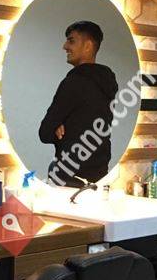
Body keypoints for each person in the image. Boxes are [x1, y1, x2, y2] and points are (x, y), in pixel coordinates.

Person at [39, 21, 118, 187]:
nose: (65, 46)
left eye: (71, 41)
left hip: (69, 177)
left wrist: (57, 127)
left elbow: (44, 132)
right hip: (99, 175)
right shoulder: (107, 83)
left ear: (88, 46)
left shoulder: (74, 82)